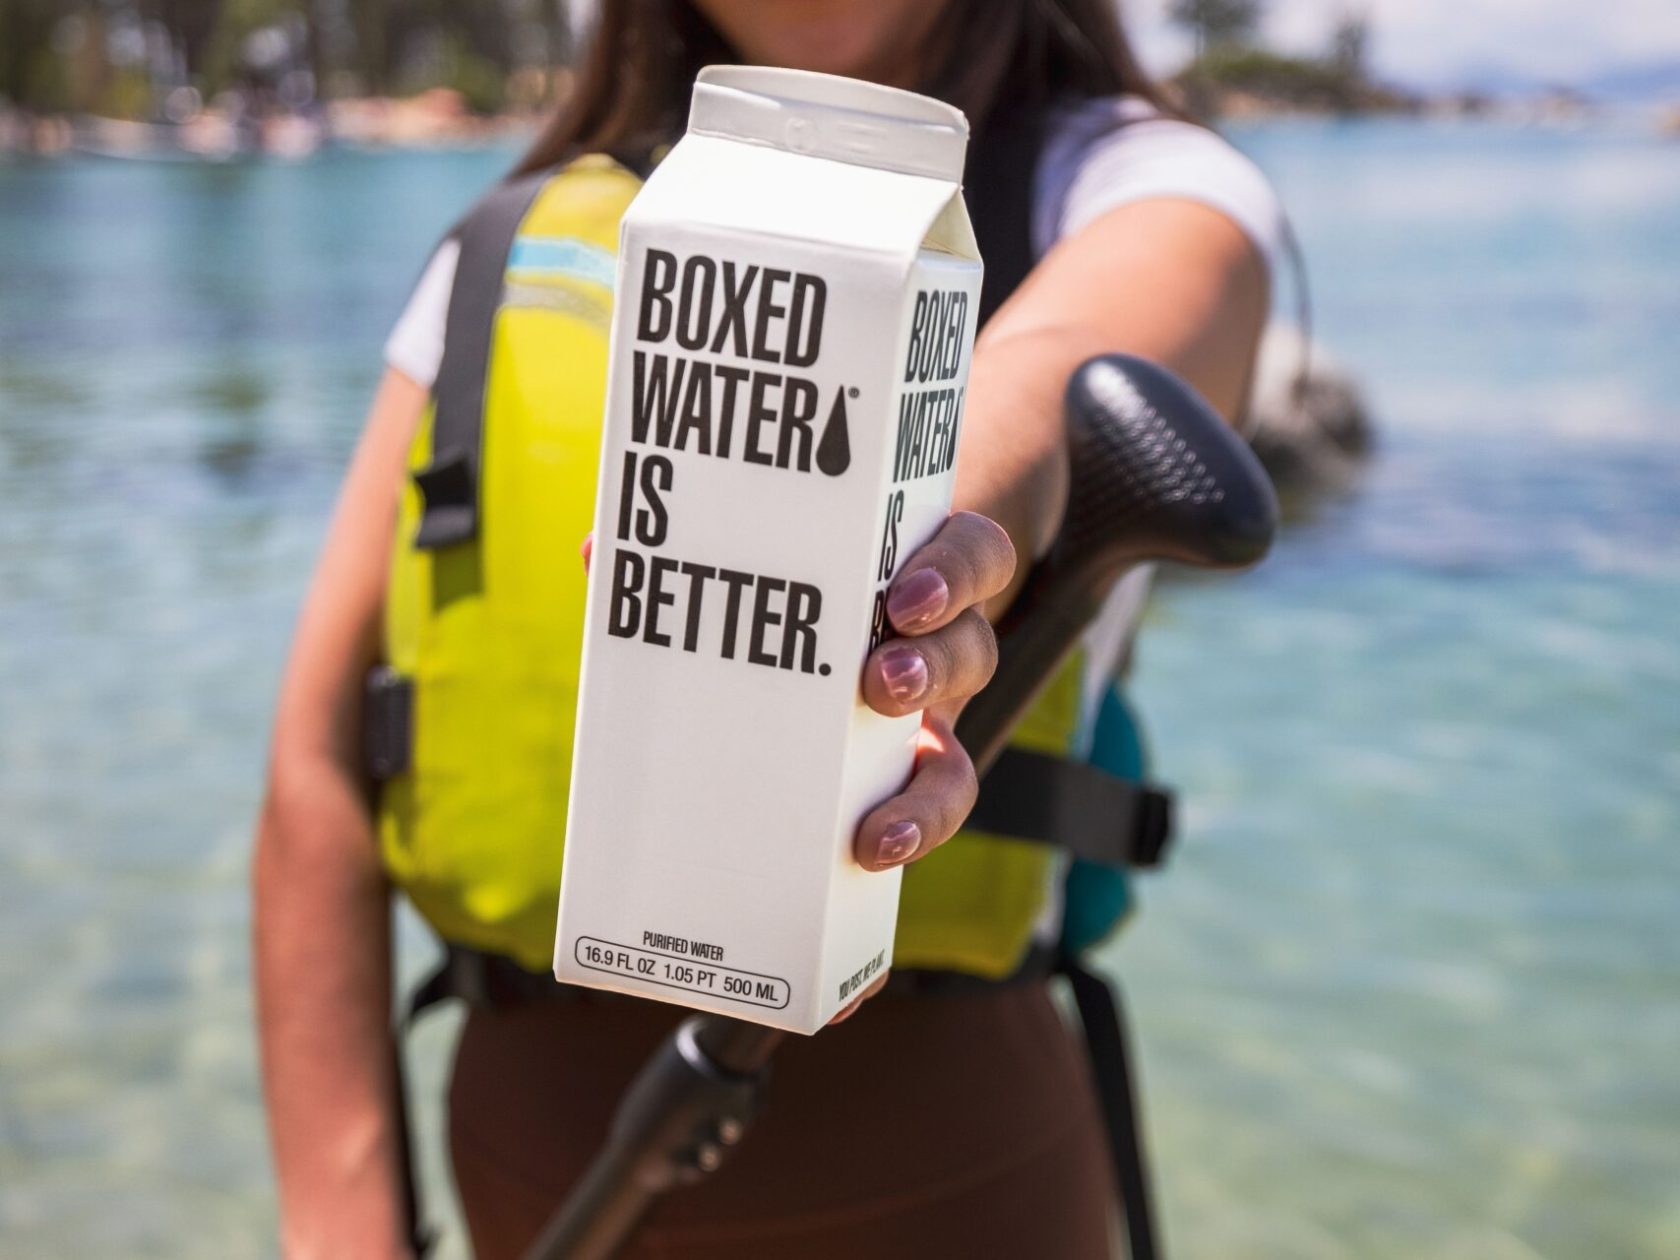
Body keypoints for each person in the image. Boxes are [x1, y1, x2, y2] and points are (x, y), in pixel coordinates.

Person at [254, 2, 1284, 1257]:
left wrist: (916, 544)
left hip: (959, 1189)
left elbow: (1064, 366)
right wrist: (340, 1222)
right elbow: (315, 766)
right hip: (531, 1193)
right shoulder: (510, 238)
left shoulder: (1136, 185)